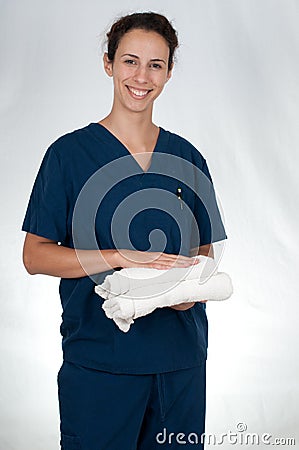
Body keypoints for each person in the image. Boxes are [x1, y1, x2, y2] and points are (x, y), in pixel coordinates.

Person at [22, 11, 227, 450]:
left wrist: (187, 288)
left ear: (169, 72)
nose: (142, 76)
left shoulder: (188, 159)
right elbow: (35, 256)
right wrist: (120, 256)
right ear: (108, 63)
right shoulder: (68, 155)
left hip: (180, 366)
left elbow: (205, 249)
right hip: (100, 364)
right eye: (130, 61)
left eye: (156, 64)